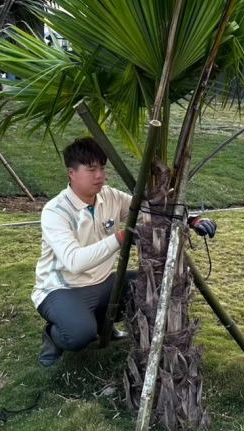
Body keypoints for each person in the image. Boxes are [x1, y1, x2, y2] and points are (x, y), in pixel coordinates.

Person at [36, 137, 217, 367]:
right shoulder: (56, 211)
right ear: (71, 172)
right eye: (91, 169)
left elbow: (151, 212)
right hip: (62, 288)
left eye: (102, 168)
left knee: (154, 285)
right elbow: (73, 262)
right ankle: (53, 334)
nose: (100, 175)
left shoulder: (109, 196)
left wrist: (191, 220)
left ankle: (103, 324)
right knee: (79, 335)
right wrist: (121, 237)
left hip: (104, 282)